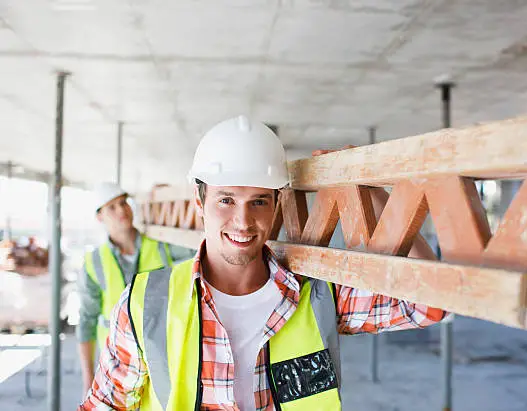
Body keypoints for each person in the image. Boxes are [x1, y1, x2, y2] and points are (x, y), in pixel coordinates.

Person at [79, 116, 446, 410]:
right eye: (226, 200)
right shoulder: (145, 305)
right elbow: (106, 403)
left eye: (258, 201)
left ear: (277, 204)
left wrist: (374, 194)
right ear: (198, 201)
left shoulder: (317, 297)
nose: (243, 222)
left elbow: (429, 305)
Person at [77, 182, 195, 397]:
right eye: (111, 207)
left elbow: (202, 249)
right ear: (100, 217)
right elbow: (86, 321)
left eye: (123, 203)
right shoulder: (93, 262)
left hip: (163, 355)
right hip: (116, 360)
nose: (122, 210)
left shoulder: (162, 247)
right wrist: (88, 379)